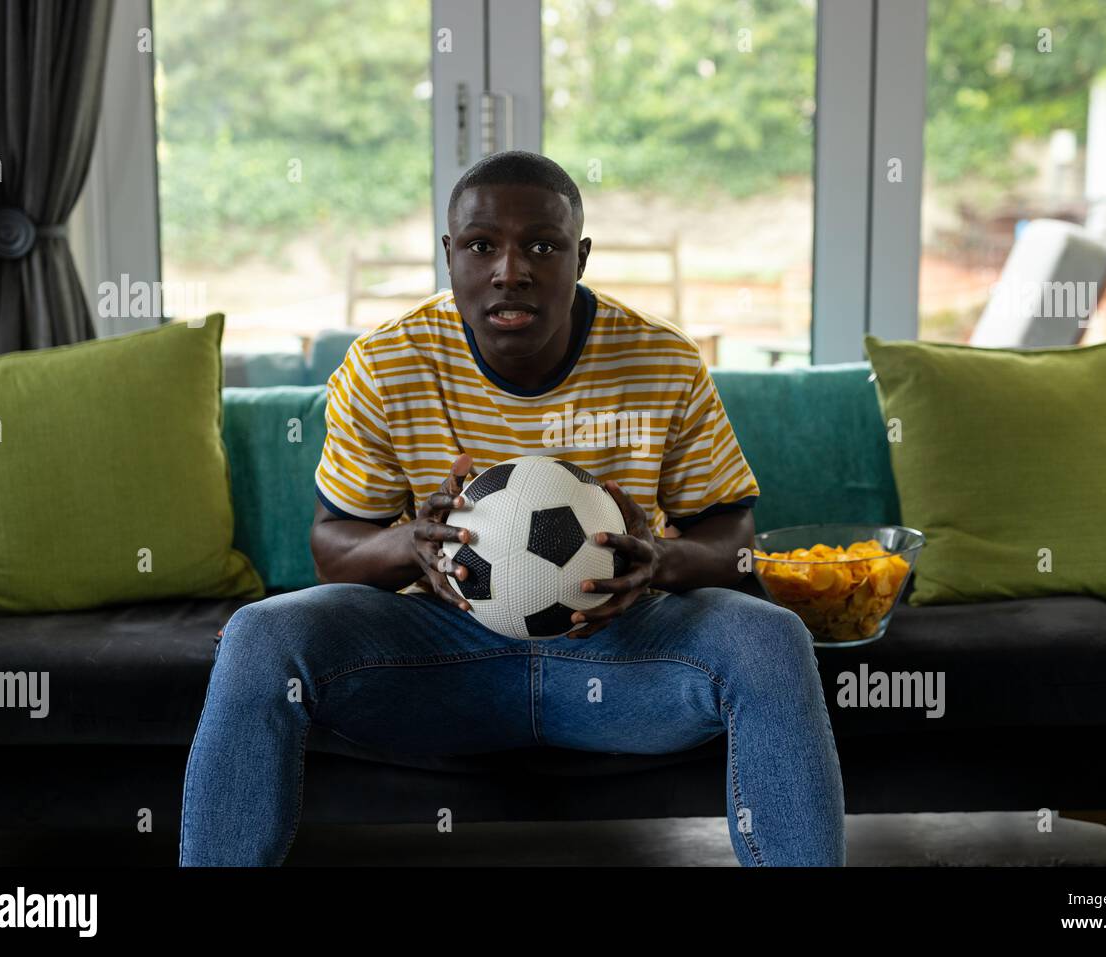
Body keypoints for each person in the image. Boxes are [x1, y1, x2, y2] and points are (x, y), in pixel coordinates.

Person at [178, 150, 845, 866]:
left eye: (541, 245)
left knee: (773, 635)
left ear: (580, 257)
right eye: (481, 245)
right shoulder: (385, 365)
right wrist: (413, 544)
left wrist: (659, 561)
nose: (510, 269)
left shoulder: (662, 362)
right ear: (449, 255)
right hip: (440, 654)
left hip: (621, 649)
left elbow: (734, 535)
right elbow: (332, 547)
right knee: (257, 632)